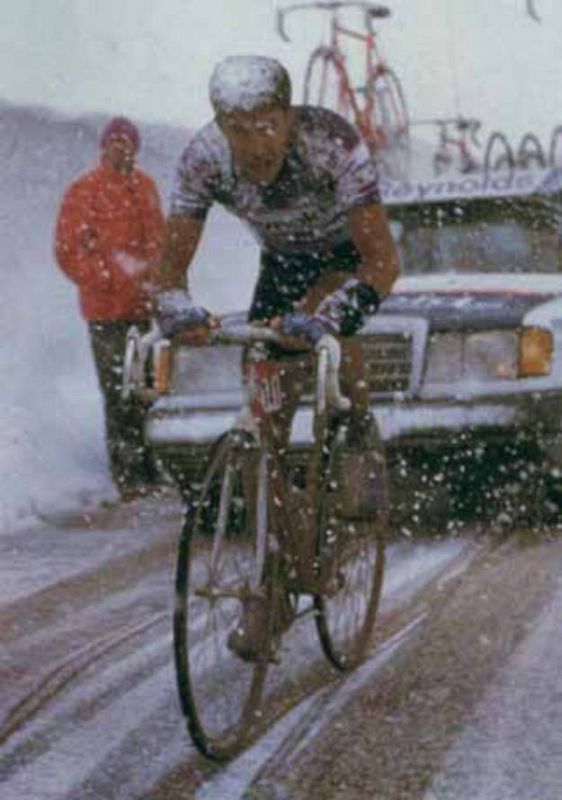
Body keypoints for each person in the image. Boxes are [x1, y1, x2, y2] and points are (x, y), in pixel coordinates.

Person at [153, 55, 399, 659]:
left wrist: (328, 321)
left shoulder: (332, 145)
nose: (254, 144)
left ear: (289, 117)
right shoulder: (204, 158)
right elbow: (168, 275)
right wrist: (175, 308)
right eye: (239, 130)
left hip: (344, 259)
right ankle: (278, 581)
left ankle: (349, 468)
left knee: (334, 373)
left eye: (267, 126)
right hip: (281, 267)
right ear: (219, 125)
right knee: (261, 426)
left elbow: (383, 266)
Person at [55, 116, 166, 500]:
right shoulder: (84, 191)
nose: (122, 148)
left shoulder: (147, 188)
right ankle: (127, 475)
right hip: (106, 313)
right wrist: (108, 279)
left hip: (145, 310)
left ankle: (152, 468)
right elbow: (68, 252)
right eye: (115, 141)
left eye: (128, 142)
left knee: (149, 389)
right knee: (119, 390)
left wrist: (160, 283)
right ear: (104, 146)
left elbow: (161, 243)